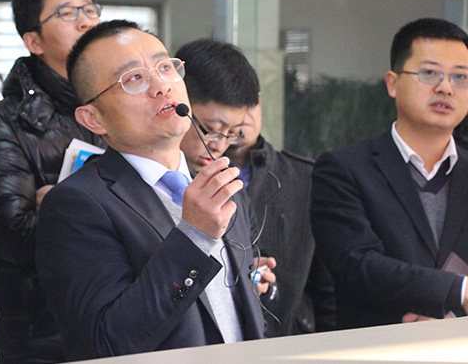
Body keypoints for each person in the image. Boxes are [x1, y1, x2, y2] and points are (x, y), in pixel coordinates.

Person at [35, 20, 266, 361]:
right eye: (134, 78)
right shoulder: (76, 204)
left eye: (166, 67)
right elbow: (105, 342)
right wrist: (194, 236)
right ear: (93, 118)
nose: (161, 85)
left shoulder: (219, 186)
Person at [0, 0, 106, 363]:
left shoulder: (120, 109)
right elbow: (12, 237)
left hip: (117, 316)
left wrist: (57, 203)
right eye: (66, 13)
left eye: (89, 9)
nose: (85, 21)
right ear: (33, 41)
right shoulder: (5, 121)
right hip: (43, 331)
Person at [311, 17, 468, 329]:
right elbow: (356, 264)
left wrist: (450, 318)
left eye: (460, 77)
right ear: (393, 83)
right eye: (429, 73)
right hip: (376, 346)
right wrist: (457, 292)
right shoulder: (344, 170)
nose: (445, 87)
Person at [176, 38, 335, 337]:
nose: (218, 145)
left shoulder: (241, 188)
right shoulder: (154, 182)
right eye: (210, 130)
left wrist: (251, 279)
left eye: (231, 134)